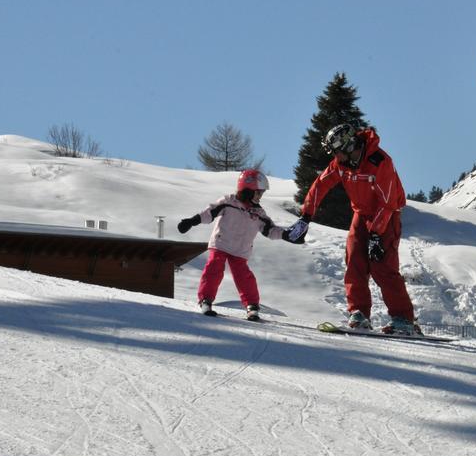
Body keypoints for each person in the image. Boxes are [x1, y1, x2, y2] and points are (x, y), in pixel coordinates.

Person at [288, 124, 417, 335]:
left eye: (337, 150)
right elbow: (320, 185)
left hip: (387, 214)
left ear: (348, 145)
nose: (336, 156)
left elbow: (388, 203)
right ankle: (359, 312)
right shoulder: (342, 164)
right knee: (354, 261)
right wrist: (305, 217)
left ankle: (403, 318)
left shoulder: (380, 162)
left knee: (382, 266)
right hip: (361, 214)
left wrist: (376, 235)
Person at [178, 169, 303, 321]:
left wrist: (287, 235)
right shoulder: (228, 202)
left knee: (244, 277)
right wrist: (192, 221)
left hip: (240, 250)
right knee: (214, 268)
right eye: (258, 193)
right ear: (247, 190)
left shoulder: (258, 213)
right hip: (221, 244)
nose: (260, 197)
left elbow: (270, 230)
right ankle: (206, 300)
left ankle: (251, 306)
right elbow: (209, 213)